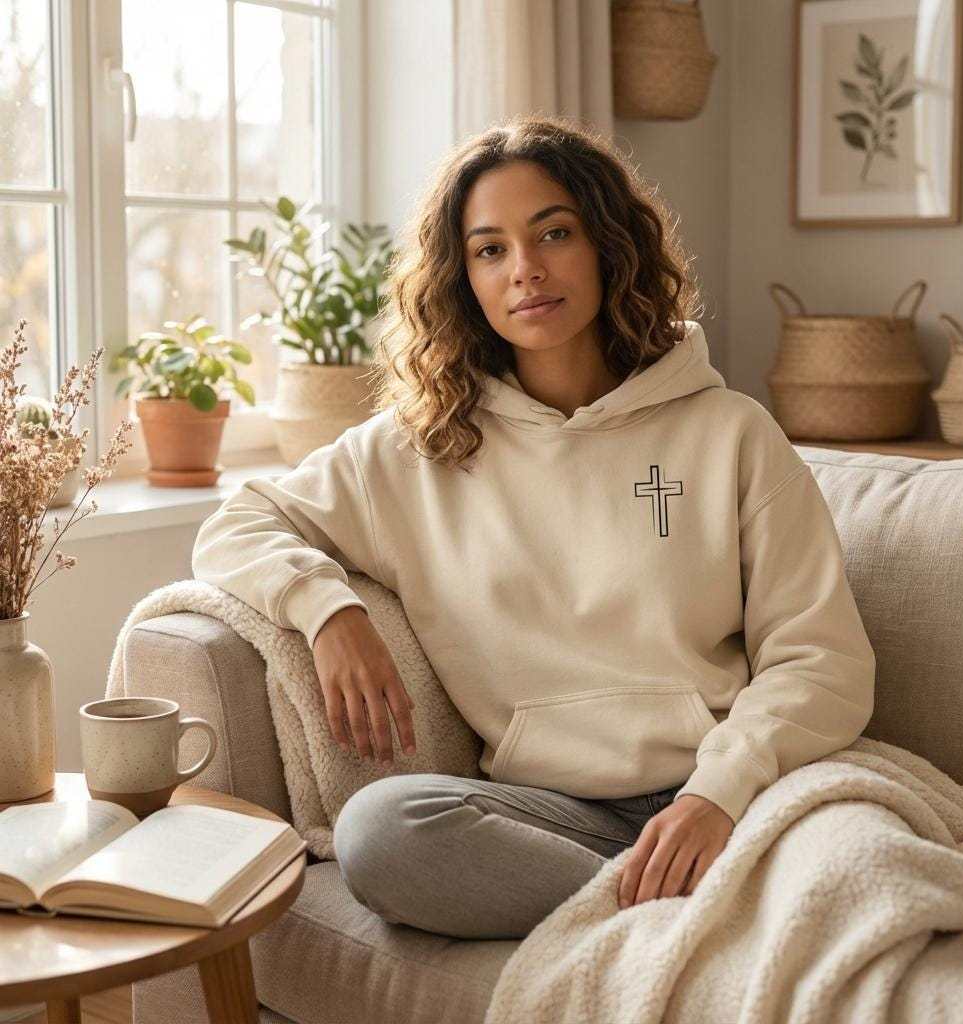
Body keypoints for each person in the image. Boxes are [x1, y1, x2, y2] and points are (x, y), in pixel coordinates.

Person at [192, 113, 876, 941]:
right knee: (382, 831)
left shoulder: (729, 433)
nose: (526, 270)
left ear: (607, 245)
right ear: (462, 278)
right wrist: (326, 609)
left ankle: (673, 913)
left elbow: (824, 659)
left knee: (864, 869)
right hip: (550, 815)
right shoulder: (417, 450)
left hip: (730, 791)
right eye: (489, 249)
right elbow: (236, 523)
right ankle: (687, 917)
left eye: (554, 232)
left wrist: (715, 795)